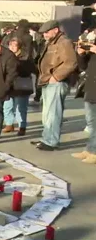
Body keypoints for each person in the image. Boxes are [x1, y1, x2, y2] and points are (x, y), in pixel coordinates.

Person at [32, 20, 78, 151]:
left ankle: (51, 141)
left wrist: (56, 77)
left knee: (53, 112)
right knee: (47, 112)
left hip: (56, 82)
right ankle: (46, 137)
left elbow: (71, 63)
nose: (44, 35)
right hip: (47, 80)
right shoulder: (52, 42)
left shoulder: (64, 42)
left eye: (46, 32)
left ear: (55, 30)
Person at [2, 37, 37, 136]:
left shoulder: (25, 57)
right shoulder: (6, 55)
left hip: (22, 84)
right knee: (7, 106)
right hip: (9, 84)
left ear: (19, 46)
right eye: (10, 45)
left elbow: (30, 70)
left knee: (20, 108)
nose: (12, 47)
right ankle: (9, 124)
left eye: (15, 45)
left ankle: (22, 126)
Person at [73, 43, 96, 163]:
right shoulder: (92, 53)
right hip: (90, 90)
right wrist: (81, 54)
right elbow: (83, 67)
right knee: (91, 123)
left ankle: (94, 152)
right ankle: (90, 149)